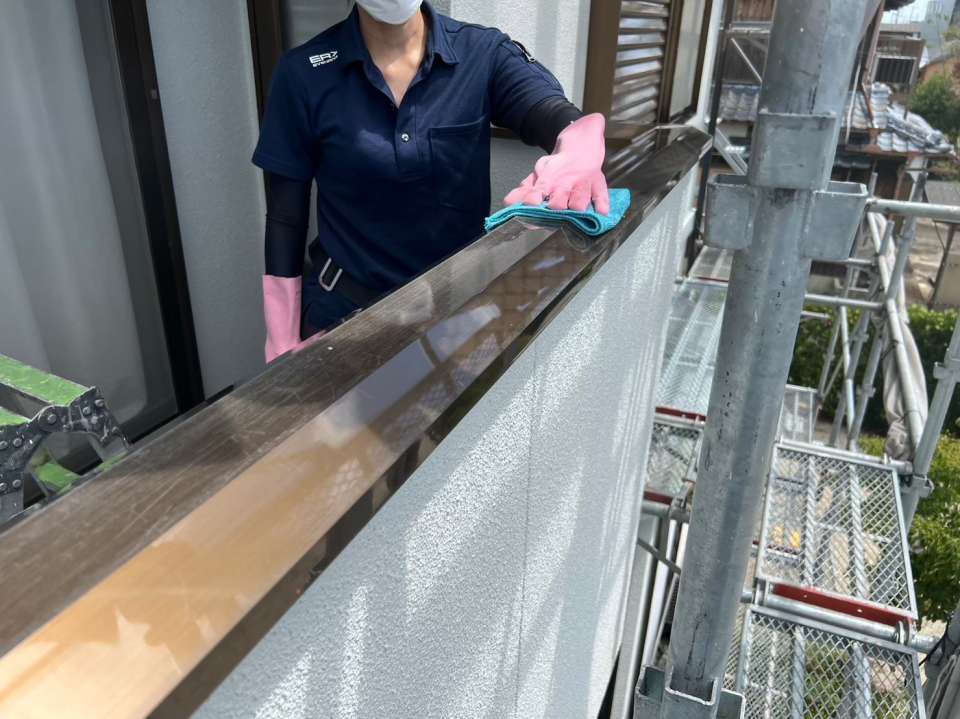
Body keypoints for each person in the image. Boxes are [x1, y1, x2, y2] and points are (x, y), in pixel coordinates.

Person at [256, 0, 610, 362]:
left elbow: (545, 108)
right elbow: (286, 217)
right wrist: (282, 336)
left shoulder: (481, 53)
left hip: (456, 311)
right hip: (344, 312)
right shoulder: (304, 73)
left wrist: (577, 137)